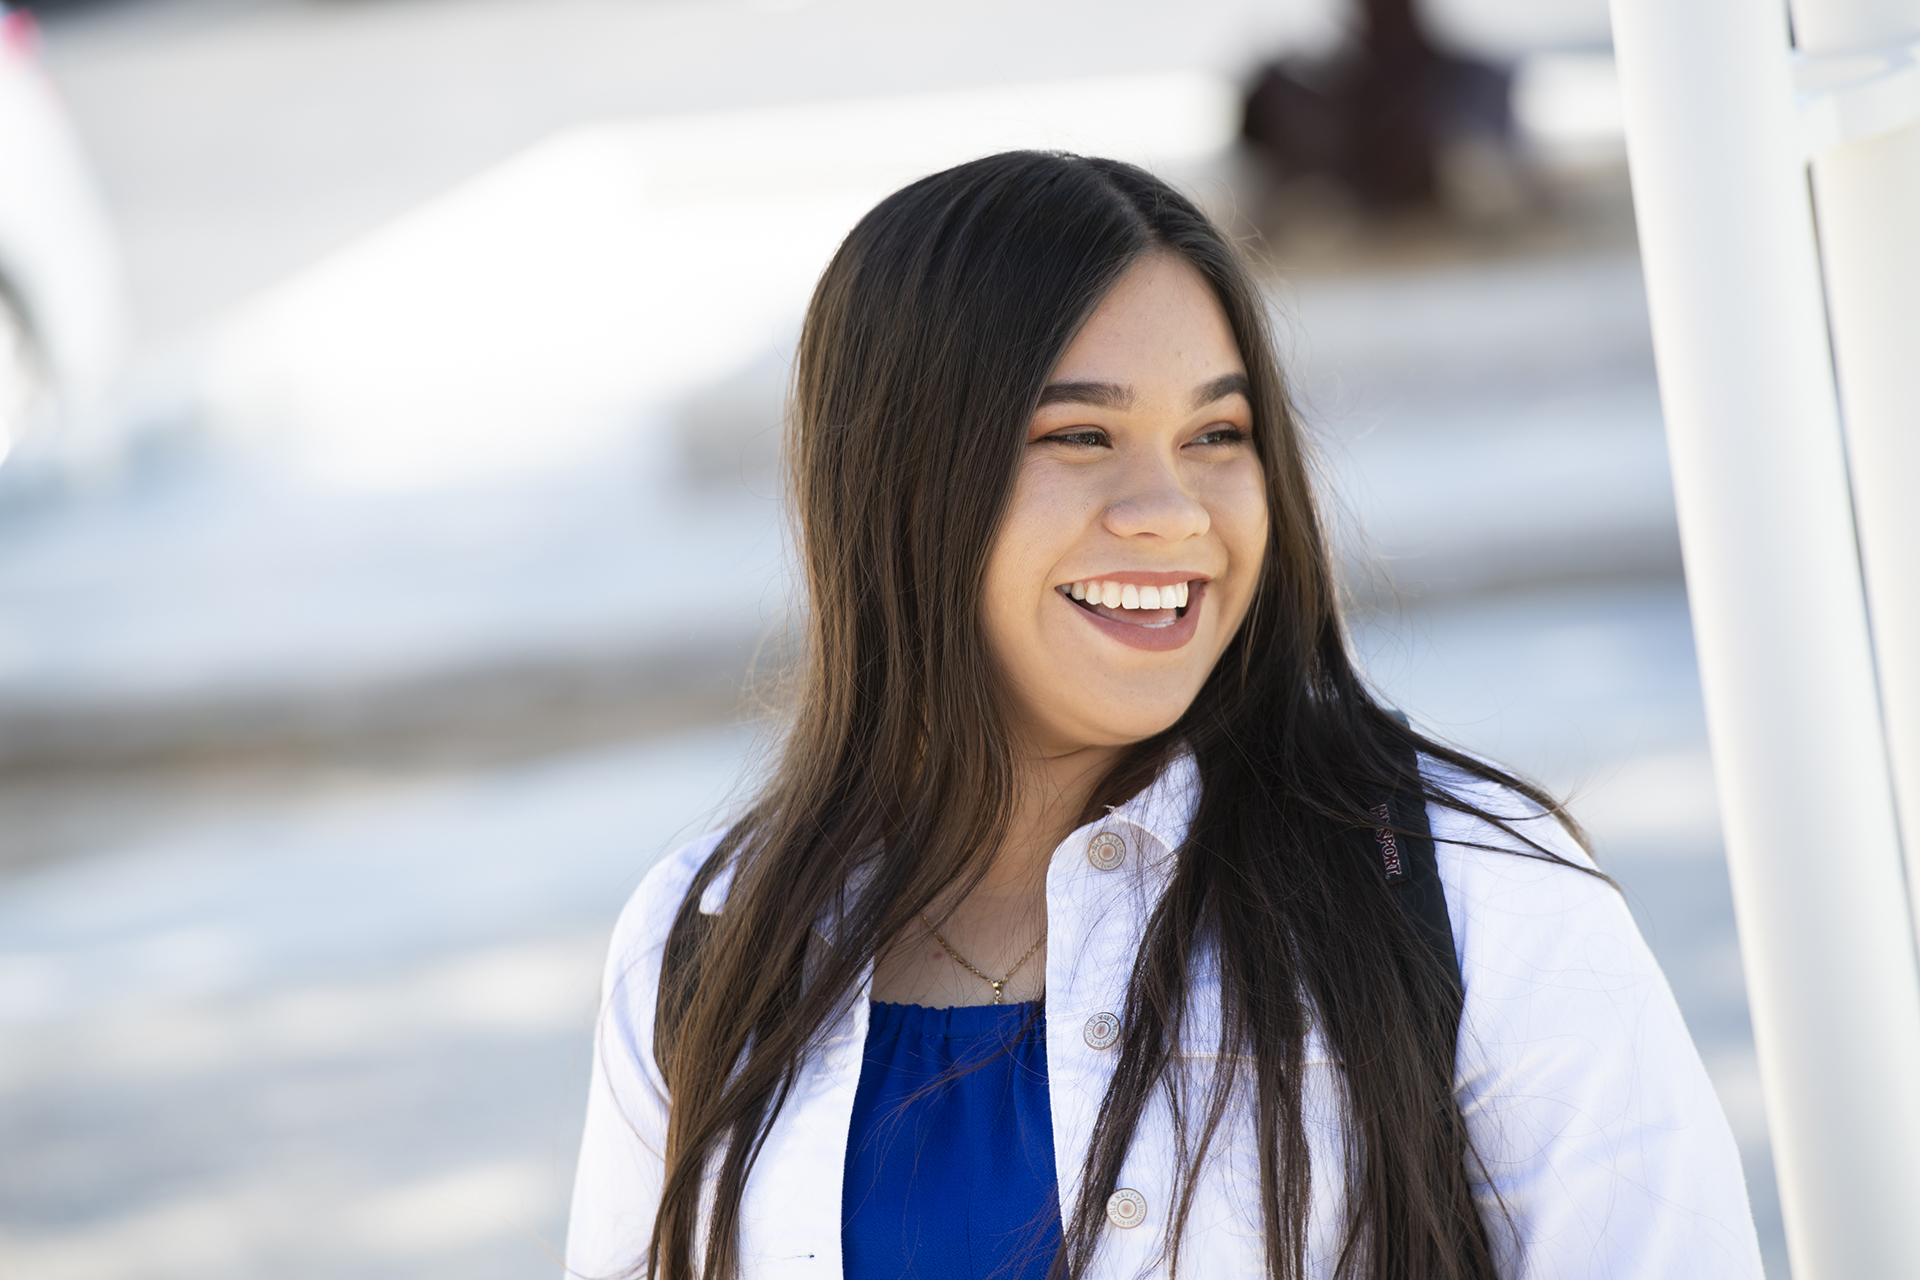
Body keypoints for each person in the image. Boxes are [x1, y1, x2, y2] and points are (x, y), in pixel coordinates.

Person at [565, 151, 1762, 1280]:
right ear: (899, 481)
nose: (1170, 510)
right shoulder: (704, 938)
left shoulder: (1468, 887)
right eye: (1080, 435)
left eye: (1216, 435)